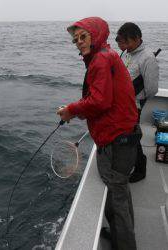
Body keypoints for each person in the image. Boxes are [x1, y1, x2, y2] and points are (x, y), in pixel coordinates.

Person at [57, 17, 140, 250]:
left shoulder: (100, 60)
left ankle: (124, 244)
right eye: (75, 40)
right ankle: (118, 233)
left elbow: (100, 101)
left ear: (96, 35)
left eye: (83, 37)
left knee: (117, 196)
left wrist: (71, 110)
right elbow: (101, 98)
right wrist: (78, 111)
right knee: (120, 191)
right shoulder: (106, 54)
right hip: (124, 136)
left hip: (117, 141)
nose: (79, 42)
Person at [116, 22, 159, 183]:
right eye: (121, 42)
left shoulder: (148, 58)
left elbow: (152, 89)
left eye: (126, 42)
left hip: (134, 105)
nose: (123, 46)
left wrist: (135, 99)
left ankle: (140, 169)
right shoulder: (129, 53)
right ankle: (126, 161)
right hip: (122, 103)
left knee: (131, 136)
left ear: (137, 38)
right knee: (123, 134)